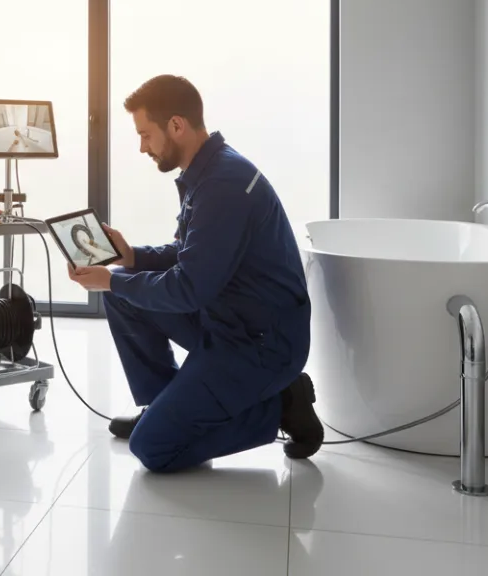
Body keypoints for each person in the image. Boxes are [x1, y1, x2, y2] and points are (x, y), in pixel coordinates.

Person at [67, 74, 323, 472]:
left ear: (176, 126)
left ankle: (281, 406)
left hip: (260, 344)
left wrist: (111, 278)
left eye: (145, 135)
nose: (141, 147)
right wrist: (130, 256)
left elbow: (189, 287)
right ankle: (162, 405)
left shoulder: (224, 184)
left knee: (152, 448)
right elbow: (192, 256)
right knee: (121, 295)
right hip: (227, 318)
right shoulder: (206, 172)